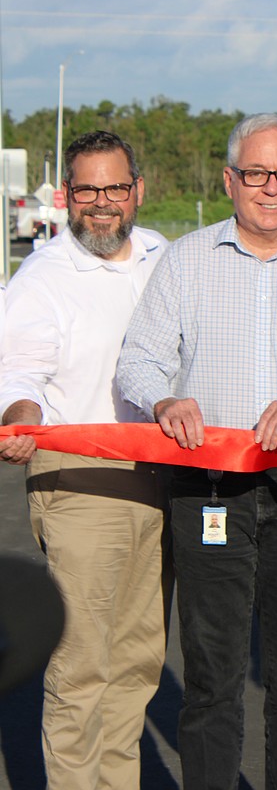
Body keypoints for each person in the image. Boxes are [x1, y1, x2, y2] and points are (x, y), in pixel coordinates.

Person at [116, 113, 277, 790]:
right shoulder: (187, 259)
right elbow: (139, 361)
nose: (271, 188)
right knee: (211, 673)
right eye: (256, 173)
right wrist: (163, 402)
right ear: (231, 179)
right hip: (207, 485)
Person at [0, 130, 169, 789]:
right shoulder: (44, 276)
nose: (102, 204)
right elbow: (20, 372)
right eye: (88, 190)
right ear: (67, 194)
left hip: (162, 479)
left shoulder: (163, 255)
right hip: (80, 485)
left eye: (115, 188)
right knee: (83, 666)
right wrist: (21, 421)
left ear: (137, 190)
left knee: (137, 660)